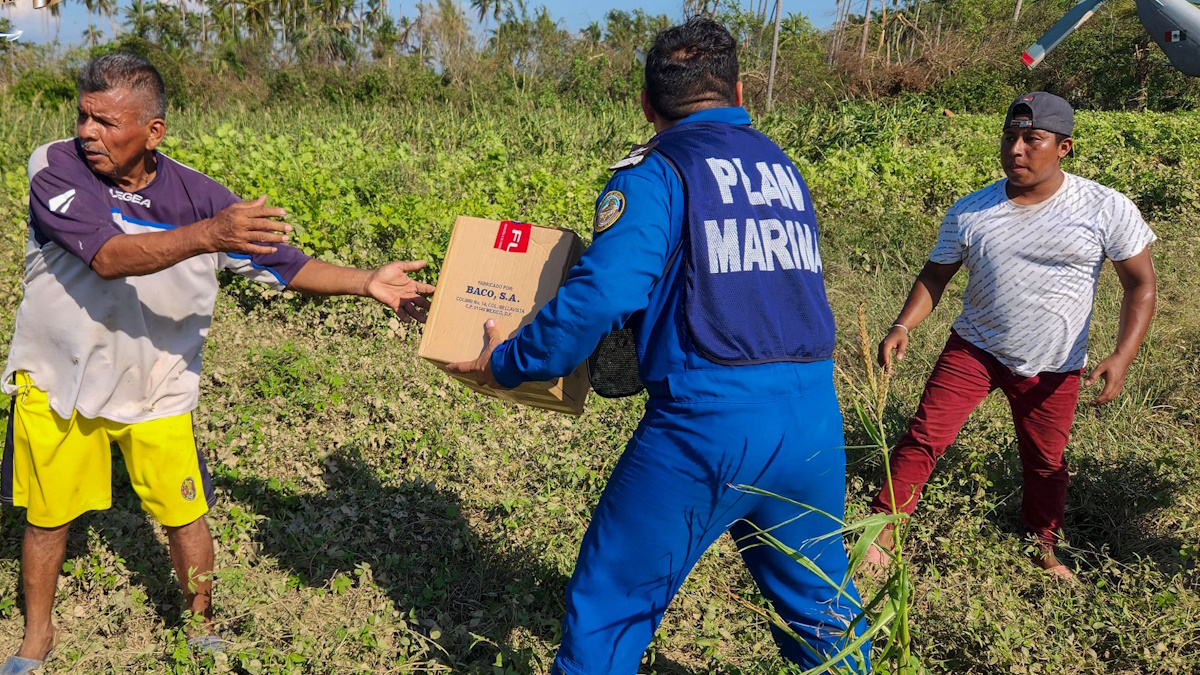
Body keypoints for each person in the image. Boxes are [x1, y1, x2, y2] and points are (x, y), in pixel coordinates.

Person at [449, 18, 870, 674]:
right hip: (815, 415)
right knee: (821, 606)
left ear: (648, 106)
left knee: (612, 598)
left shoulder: (656, 173)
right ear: (737, 89)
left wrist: (510, 361)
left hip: (710, 424)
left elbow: (604, 292)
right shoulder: (781, 167)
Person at [0, 53, 434, 674]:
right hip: (57, 378)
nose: (89, 132)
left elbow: (285, 264)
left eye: (107, 122)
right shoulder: (56, 164)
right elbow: (108, 256)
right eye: (84, 116)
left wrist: (367, 281)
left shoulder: (198, 194)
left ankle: (201, 625)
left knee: (185, 510)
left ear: (153, 133)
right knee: (47, 519)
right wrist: (210, 236)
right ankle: (35, 638)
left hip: (156, 385)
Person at [868, 92, 1157, 581]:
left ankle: (1044, 546)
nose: (1016, 150)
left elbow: (1141, 284)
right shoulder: (972, 210)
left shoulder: (1104, 207)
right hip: (974, 349)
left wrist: (1122, 356)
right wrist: (902, 325)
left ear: (1063, 147)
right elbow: (935, 276)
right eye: (1009, 138)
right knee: (923, 438)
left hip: (1055, 364)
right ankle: (883, 533)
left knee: (1046, 462)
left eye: (1031, 139)